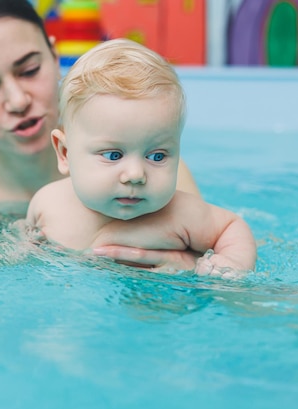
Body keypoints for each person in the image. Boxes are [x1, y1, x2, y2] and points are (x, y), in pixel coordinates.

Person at [0, 0, 202, 270]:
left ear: (54, 55)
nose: (18, 100)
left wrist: (192, 268)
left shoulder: (151, 172)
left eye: (30, 70)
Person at [26, 39, 257, 277]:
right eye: (114, 155)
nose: (136, 175)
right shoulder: (48, 203)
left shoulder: (182, 214)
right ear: (65, 153)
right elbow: (25, 242)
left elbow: (232, 227)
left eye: (157, 156)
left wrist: (231, 263)